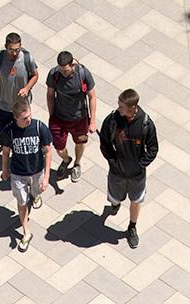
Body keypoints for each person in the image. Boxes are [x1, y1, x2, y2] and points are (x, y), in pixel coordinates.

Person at [99, 88, 158, 249]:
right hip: (117, 172)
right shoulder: (112, 120)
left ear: (133, 108)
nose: (119, 109)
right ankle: (115, 204)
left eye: (122, 106)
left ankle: (132, 227)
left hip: (136, 175)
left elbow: (153, 149)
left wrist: (140, 165)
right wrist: (112, 161)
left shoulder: (146, 124)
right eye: (119, 105)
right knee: (115, 197)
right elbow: (104, 142)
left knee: (136, 200)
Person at [0, 97, 53, 253]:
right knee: (22, 202)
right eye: (24, 118)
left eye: (29, 115)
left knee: (36, 192)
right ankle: (26, 232)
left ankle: (35, 196)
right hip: (18, 174)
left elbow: (48, 151)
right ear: (16, 118)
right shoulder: (10, 131)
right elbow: (6, 152)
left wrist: (47, 176)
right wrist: (5, 169)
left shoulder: (39, 127)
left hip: (37, 172)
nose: (28, 119)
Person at [46, 51, 97, 182]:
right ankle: (66, 160)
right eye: (61, 70)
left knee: (80, 142)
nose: (63, 73)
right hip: (59, 118)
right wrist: (51, 115)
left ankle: (77, 163)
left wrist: (92, 121)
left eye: (66, 71)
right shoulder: (54, 74)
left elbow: (92, 97)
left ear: (72, 64)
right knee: (59, 147)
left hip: (79, 118)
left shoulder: (83, 74)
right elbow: (50, 94)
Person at [0, 32, 38, 139]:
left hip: (22, 106)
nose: (14, 53)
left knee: (21, 133)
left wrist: (27, 88)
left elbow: (35, 75)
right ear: (5, 47)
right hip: (3, 105)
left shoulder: (27, 58)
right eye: (11, 49)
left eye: (17, 49)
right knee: (1, 132)